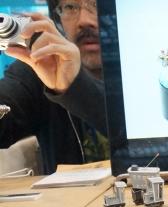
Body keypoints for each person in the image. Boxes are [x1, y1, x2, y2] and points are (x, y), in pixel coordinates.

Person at [0, 1, 107, 174]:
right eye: (70, 7)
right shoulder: (41, 67)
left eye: (97, 5)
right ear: (57, 17)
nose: (84, 21)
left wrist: (75, 89)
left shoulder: (145, 68)